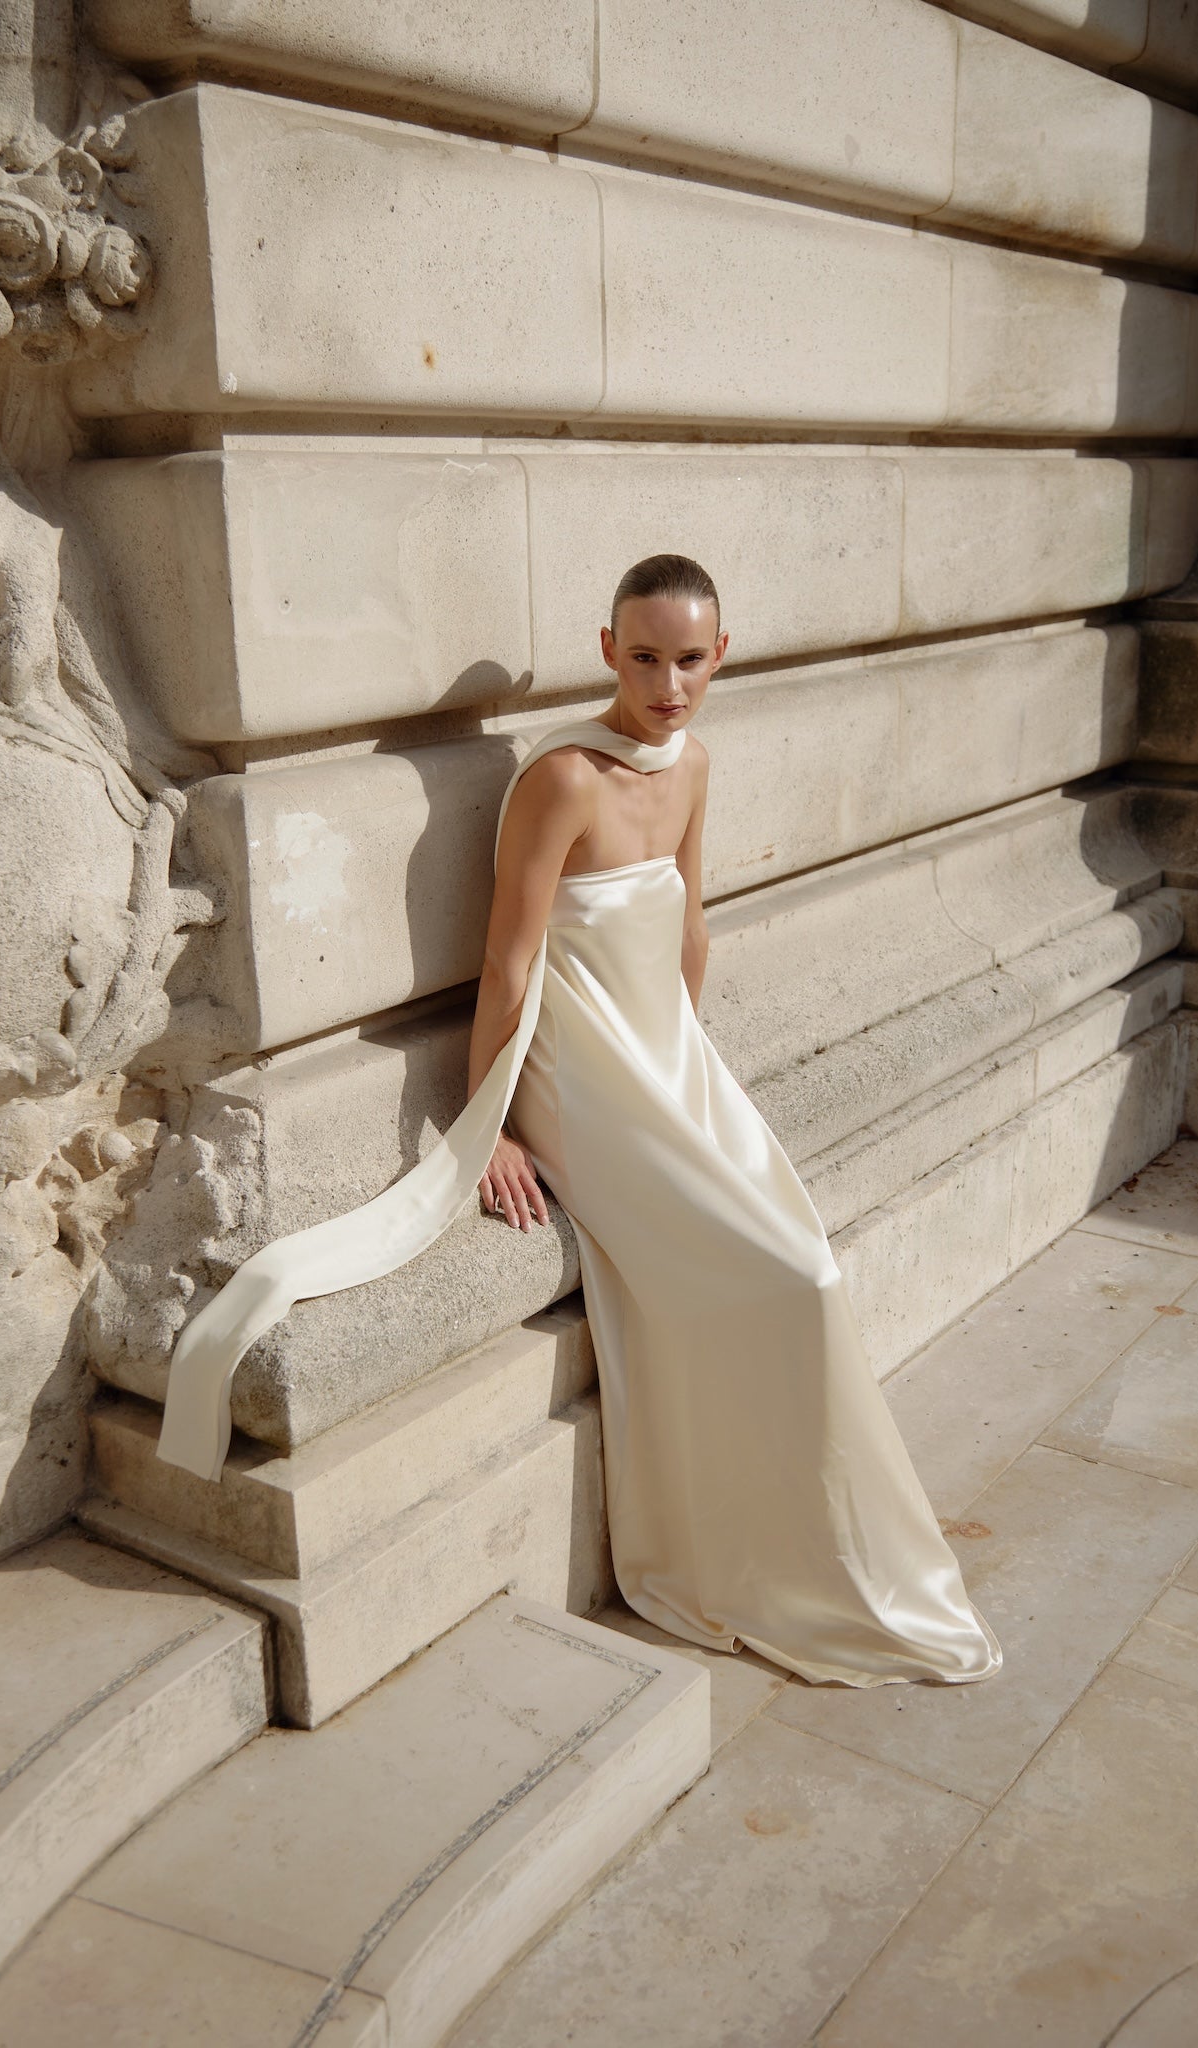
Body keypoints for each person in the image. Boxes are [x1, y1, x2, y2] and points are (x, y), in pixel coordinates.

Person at [156, 553, 1002, 1689]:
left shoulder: (694, 762)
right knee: (788, 1272)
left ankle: (812, 1545)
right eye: (644, 656)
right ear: (608, 650)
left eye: (690, 659)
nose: (667, 683)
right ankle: (754, 1560)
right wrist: (489, 1120)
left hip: (664, 1060)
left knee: (806, 1263)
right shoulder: (561, 780)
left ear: (722, 655)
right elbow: (506, 962)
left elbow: (689, 922)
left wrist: (690, 1061)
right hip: (572, 1076)